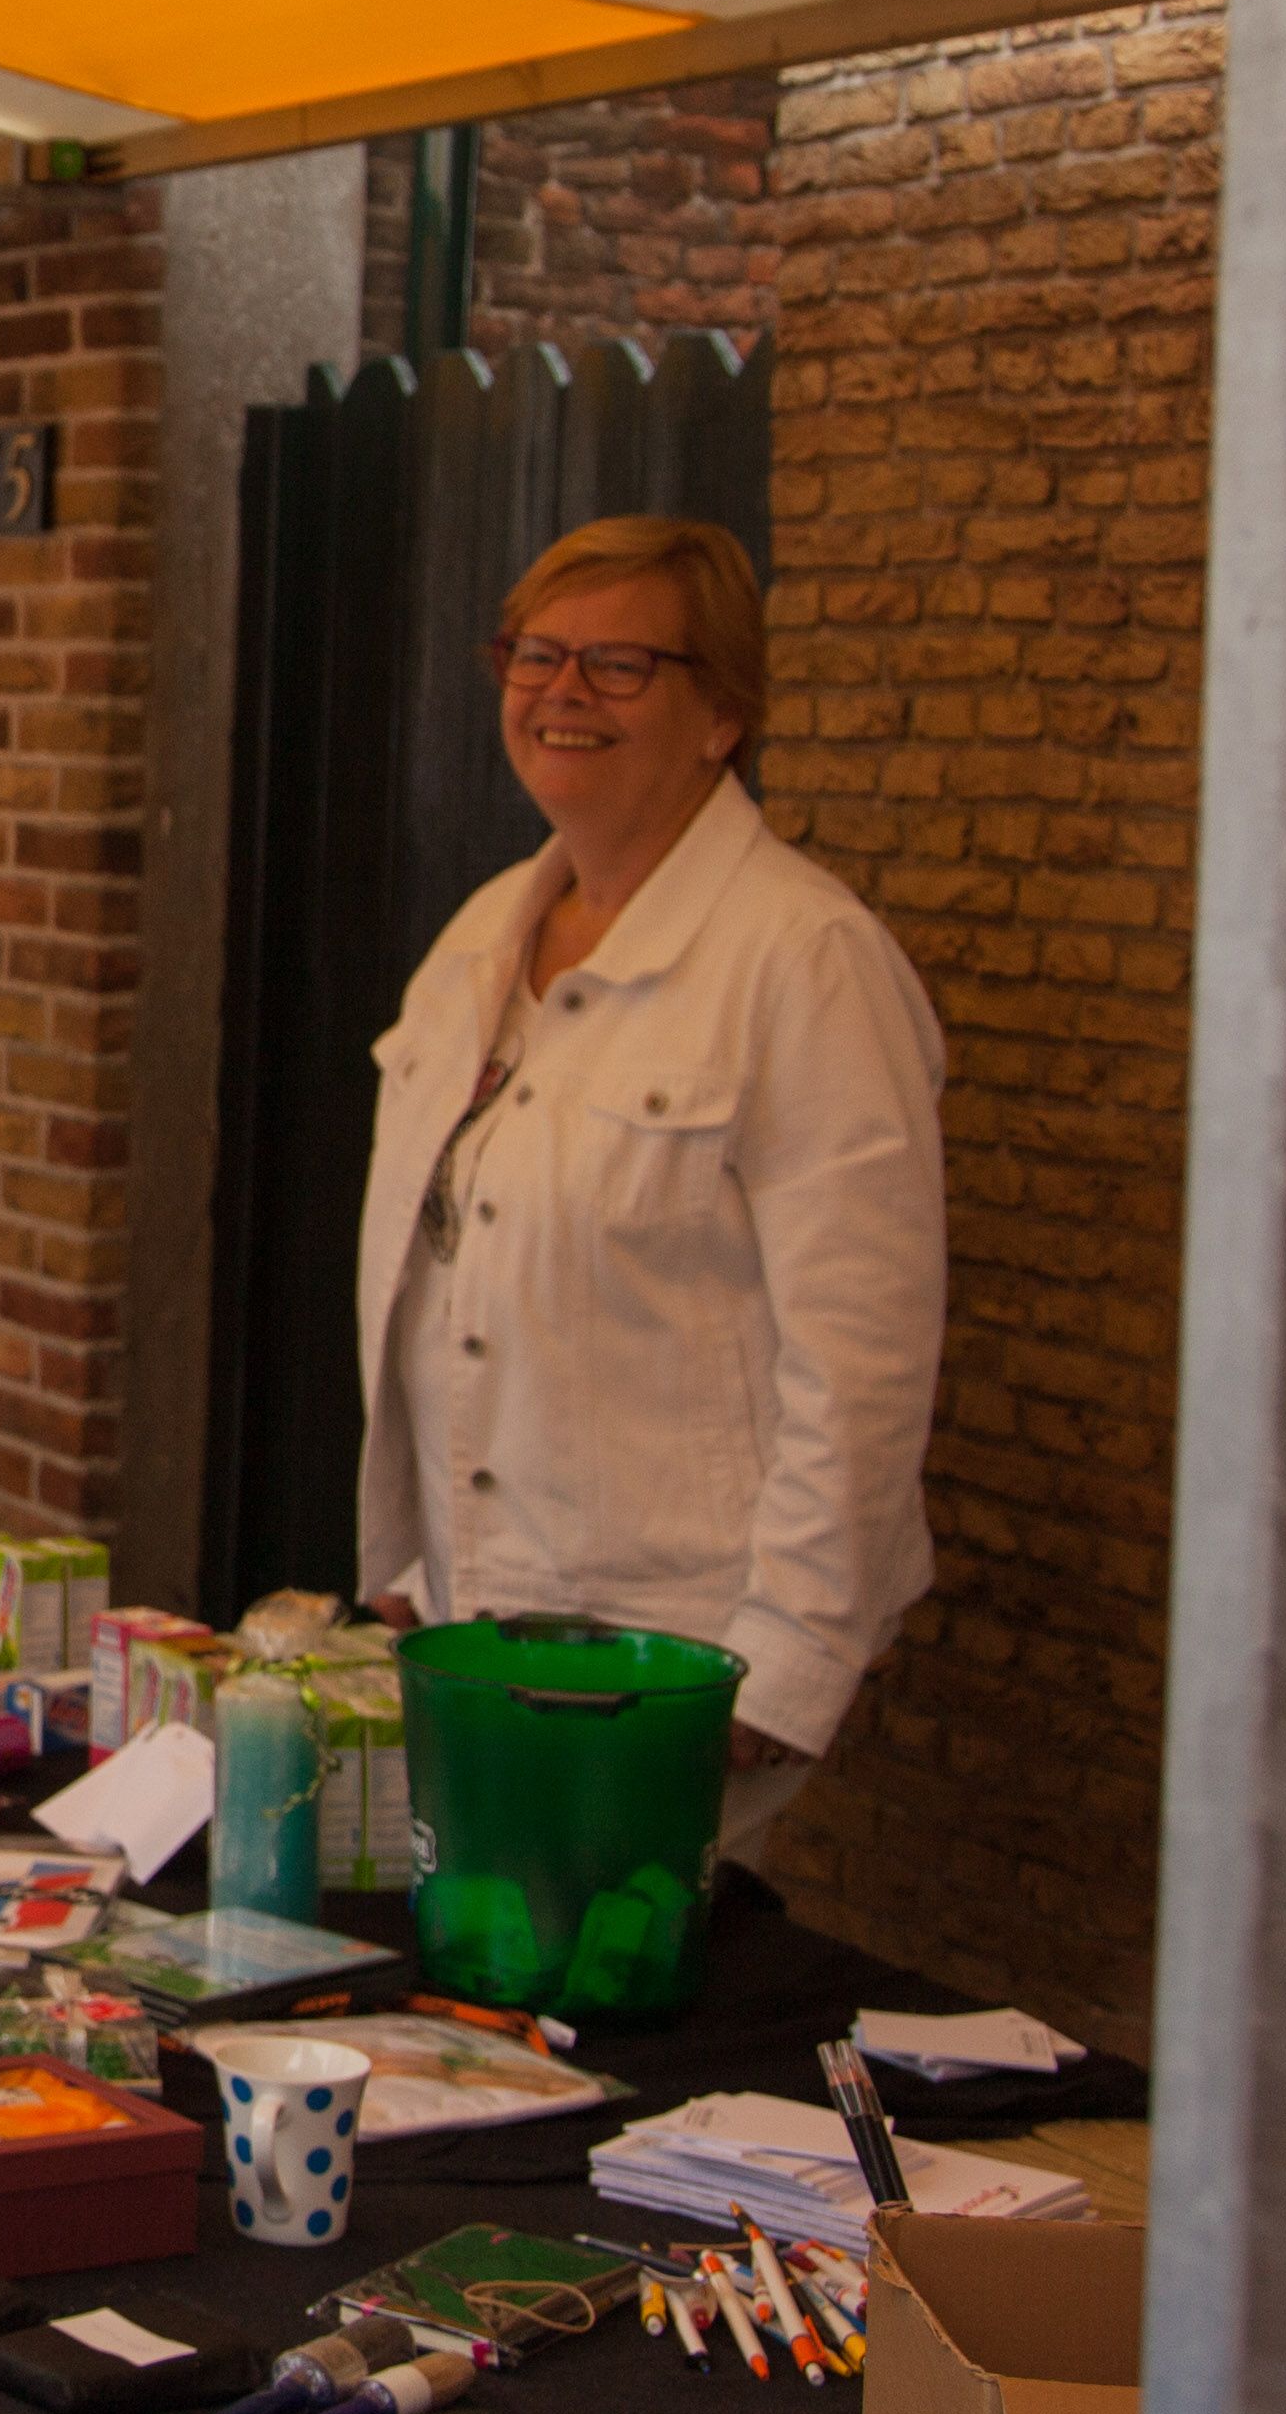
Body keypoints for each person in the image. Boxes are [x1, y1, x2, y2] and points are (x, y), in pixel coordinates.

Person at [353, 514, 948, 1840]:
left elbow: (862, 1359)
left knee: (613, 1958)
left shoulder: (806, 961)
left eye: (619, 665)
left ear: (721, 714)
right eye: (536, 654)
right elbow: (431, 1271)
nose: (563, 692)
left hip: (677, 1664)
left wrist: (781, 1664)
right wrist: (406, 1553)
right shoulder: (482, 936)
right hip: (477, 1629)